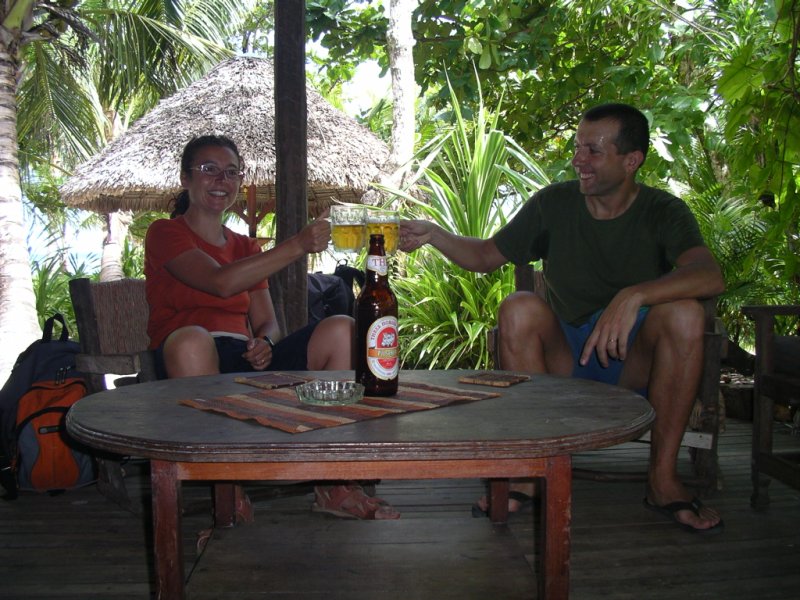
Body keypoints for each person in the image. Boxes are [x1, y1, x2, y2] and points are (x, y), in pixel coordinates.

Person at [399, 104, 725, 533]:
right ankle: (531, 474)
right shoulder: (553, 204)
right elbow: (485, 256)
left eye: (593, 151)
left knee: (685, 314)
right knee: (518, 307)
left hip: (635, 364)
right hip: (566, 362)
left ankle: (663, 480)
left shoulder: (663, 211)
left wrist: (635, 295)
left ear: (631, 161)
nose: (578, 160)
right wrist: (435, 235)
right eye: (577, 148)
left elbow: (709, 275)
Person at [144, 134, 399, 520]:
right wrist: (298, 244)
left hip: (244, 358)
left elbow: (267, 322)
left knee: (343, 329)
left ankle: (333, 483)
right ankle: (227, 491)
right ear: (185, 178)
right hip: (187, 362)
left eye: (231, 172)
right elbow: (219, 282)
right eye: (209, 169)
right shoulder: (165, 233)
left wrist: (264, 341)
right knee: (193, 340)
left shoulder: (247, 248)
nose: (221, 180)